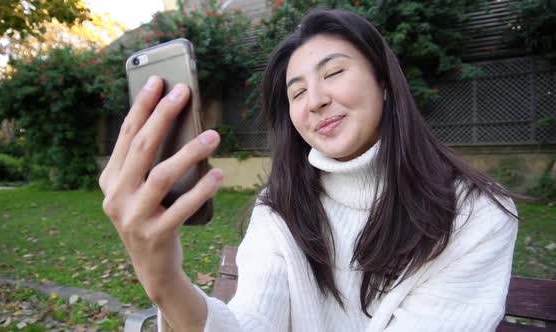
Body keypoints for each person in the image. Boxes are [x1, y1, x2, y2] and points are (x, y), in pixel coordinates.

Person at [98, 9, 520, 332]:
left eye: (334, 72)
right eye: (296, 92)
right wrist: (165, 282)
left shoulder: (477, 216)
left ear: (384, 83)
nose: (315, 100)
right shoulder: (280, 206)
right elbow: (252, 324)